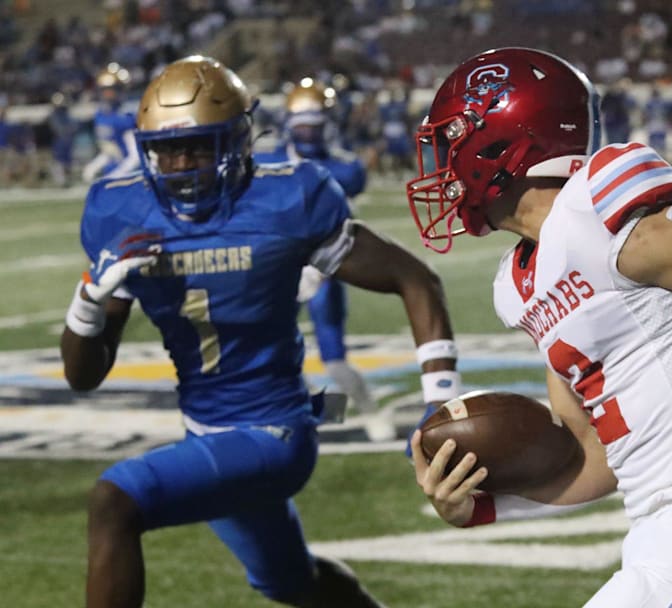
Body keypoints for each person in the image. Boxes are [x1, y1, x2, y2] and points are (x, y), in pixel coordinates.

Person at [405, 47, 672, 607]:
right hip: (661, 532)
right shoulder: (518, 287)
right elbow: (594, 459)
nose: (444, 166)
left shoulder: (598, 209)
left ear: (504, 141)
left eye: (453, 142)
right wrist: (481, 507)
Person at [62, 56, 460, 608]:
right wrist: (87, 302)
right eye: (166, 150)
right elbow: (84, 376)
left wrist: (440, 399)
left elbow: (414, 279)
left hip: (275, 432)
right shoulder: (120, 212)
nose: (180, 165)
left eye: (199, 146)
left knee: (115, 501)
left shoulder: (285, 198)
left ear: (239, 140)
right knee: (297, 586)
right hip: (205, 432)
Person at [253, 78, 392, 441]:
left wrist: (321, 269)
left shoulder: (345, 168)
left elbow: (345, 225)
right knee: (270, 355)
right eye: (301, 123)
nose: (307, 132)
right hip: (277, 271)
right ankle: (320, 413)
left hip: (324, 271)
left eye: (314, 124)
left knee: (334, 358)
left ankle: (370, 411)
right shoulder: (267, 161)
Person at [81, 63, 141, 183]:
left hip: (132, 176)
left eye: (111, 89)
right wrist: (93, 167)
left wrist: (114, 176)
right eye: (104, 89)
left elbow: (136, 157)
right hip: (114, 170)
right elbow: (111, 151)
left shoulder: (126, 116)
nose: (107, 93)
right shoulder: (101, 115)